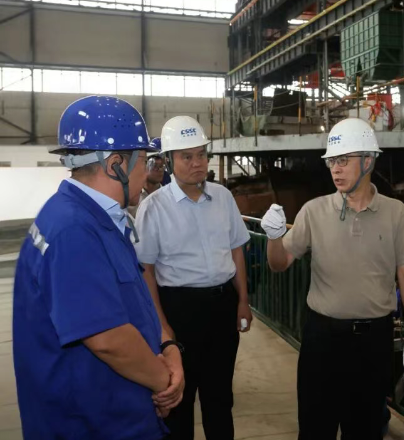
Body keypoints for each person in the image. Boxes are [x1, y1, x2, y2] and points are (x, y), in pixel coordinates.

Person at [13, 95, 184, 440]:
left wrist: (169, 347)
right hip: (92, 423)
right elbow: (107, 338)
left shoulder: (95, 217)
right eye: (144, 160)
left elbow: (133, 296)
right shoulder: (74, 229)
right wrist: (164, 381)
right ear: (116, 164)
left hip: (114, 411)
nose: (149, 171)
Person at [261, 118, 404, 439]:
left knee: (365, 430)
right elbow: (279, 264)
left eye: (344, 160)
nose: (335, 169)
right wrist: (273, 237)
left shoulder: (396, 213)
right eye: (332, 161)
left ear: (368, 161)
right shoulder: (313, 211)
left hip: (373, 342)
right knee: (315, 429)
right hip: (322, 340)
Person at [134, 115, 252, 440]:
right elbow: (147, 271)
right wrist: (163, 326)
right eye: (186, 156)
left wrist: (243, 301)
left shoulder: (223, 197)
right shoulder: (154, 208)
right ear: (169, 161)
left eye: (201, 154)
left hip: (223, 306)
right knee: (179, 401)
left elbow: (236, 250)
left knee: (220, 397)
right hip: (180, 310)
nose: (197, 163)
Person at [129, 137, 168, 218]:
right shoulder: (133, 198)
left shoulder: (168, 196)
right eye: (155, 166)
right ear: (145, 165)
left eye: (162, 166)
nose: (160, 170)